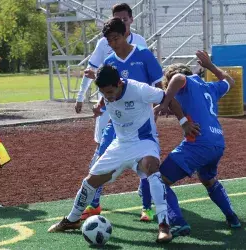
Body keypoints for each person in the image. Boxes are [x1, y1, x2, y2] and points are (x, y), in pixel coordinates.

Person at [48, 65, 200, 243]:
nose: (108, 96)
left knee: (152, 168)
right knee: (90, 181)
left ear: (119, 83)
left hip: (144, 141)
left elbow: (169, 98)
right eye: (104, 93)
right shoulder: (107, 92)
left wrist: (183, 122)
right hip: (120, 144)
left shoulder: (139, 89)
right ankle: (72, 220)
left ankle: (164, 226)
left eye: (110, 92)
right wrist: (100, 105)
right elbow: (108, 100)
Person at [84, 16, 164, 222]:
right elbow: (107, 91)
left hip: (141, 120)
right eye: (109, 40)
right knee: (100, 157)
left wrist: (157, 109)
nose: (112, 43)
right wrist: (100, 105)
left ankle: (148, 208)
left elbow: (158, 86)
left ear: (126, 33)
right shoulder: (109, 62)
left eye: (115, 38)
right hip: (116, 121)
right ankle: (94, 204)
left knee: (144, 164)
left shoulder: (144, 55)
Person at [154, 50, 241, 238]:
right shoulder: (209, 87)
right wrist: (210, 66)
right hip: (217, 142)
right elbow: (230, 82)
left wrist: (164, 103)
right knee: (209, 180)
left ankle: (178, 222)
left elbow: (177, 78)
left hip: (199, 143)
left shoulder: (184, 82)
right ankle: (232, 217)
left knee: (159, 181)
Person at [74, 3, 148, 220]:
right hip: (109, 107)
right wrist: (81, 97)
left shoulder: (140, 43)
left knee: (142, 153)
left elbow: (145, 77)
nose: (121, 23)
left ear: (131, 20)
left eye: (124, 19)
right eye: (117, 19)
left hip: (134, 110)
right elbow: (92, 71)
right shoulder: (103, 44)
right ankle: (95, 203)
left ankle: (147, 196)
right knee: (102, 154)